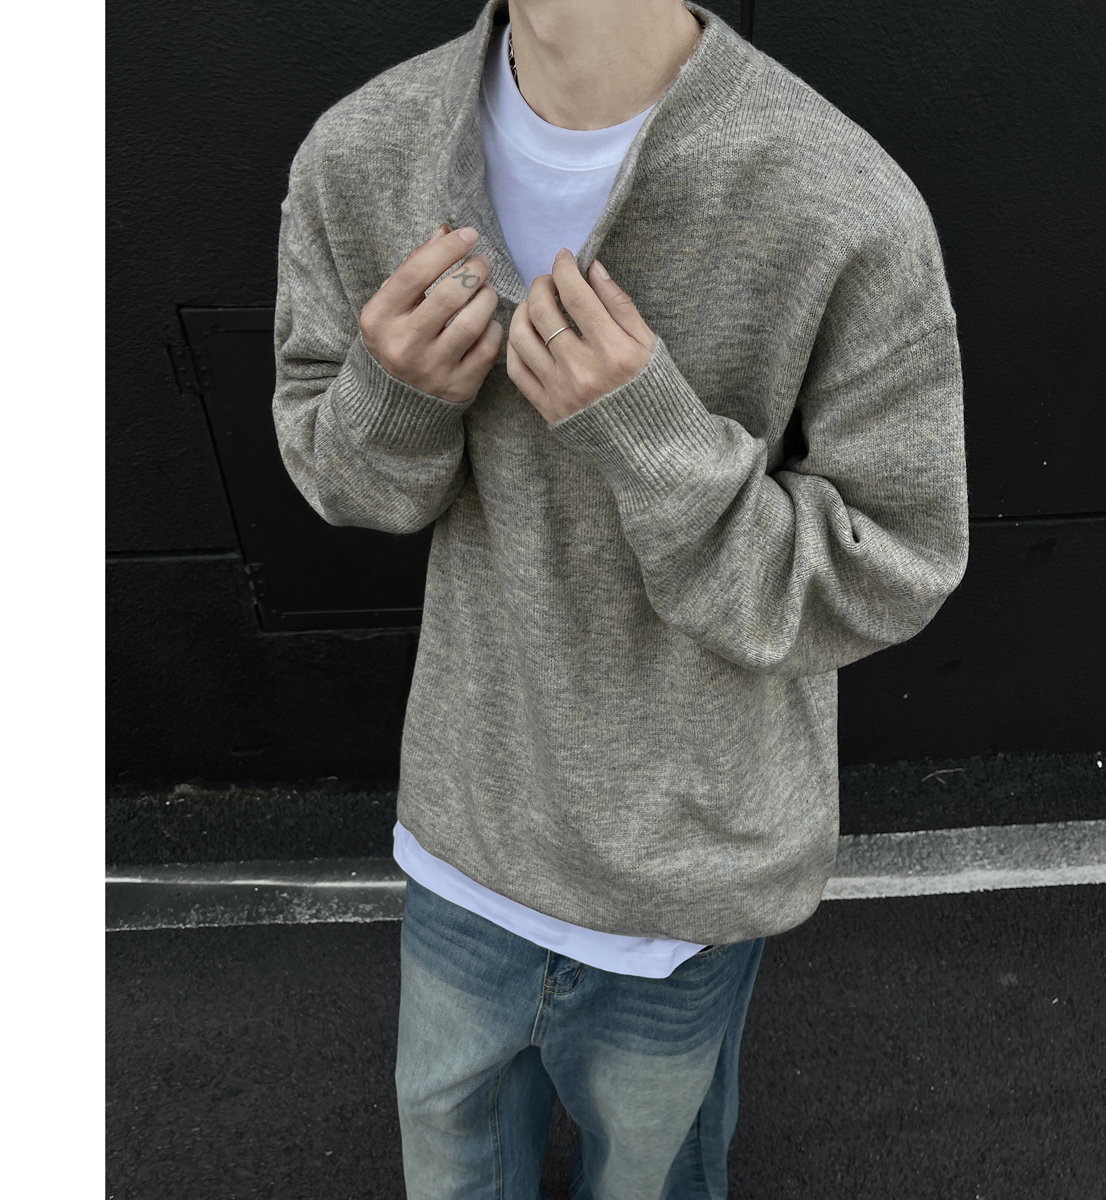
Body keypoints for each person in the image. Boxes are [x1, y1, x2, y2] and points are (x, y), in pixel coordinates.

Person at [271, 0, 968, 1195]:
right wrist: (393, 397)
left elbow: (892, 564)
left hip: (682, 884)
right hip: (466, 837)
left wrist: (655, 444)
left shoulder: (841, 201)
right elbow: (343, 477)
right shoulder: (363, 153)